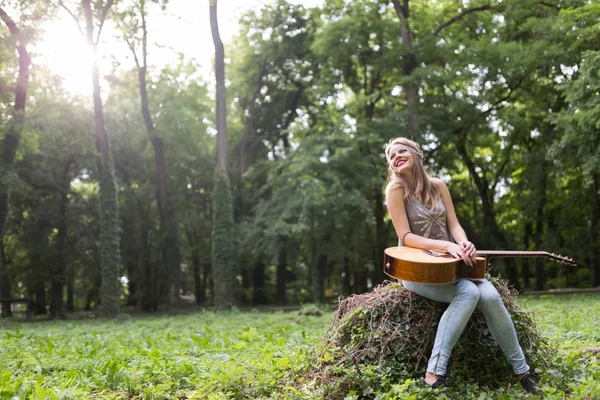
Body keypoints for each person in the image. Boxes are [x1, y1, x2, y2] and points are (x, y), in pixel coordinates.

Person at [384, 137, 541, 394]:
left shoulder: (438, 186)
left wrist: (464, 243)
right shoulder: (396, 190)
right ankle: (434, 373)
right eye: (391, 156)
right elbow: (406, 237)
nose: (396, 156)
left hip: (453, 264)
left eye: (401, 151)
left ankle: (523, 371)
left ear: (416, 154)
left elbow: (454, 225)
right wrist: (447, 246)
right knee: (468, 291)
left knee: (489, 295)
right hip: (417, 269)